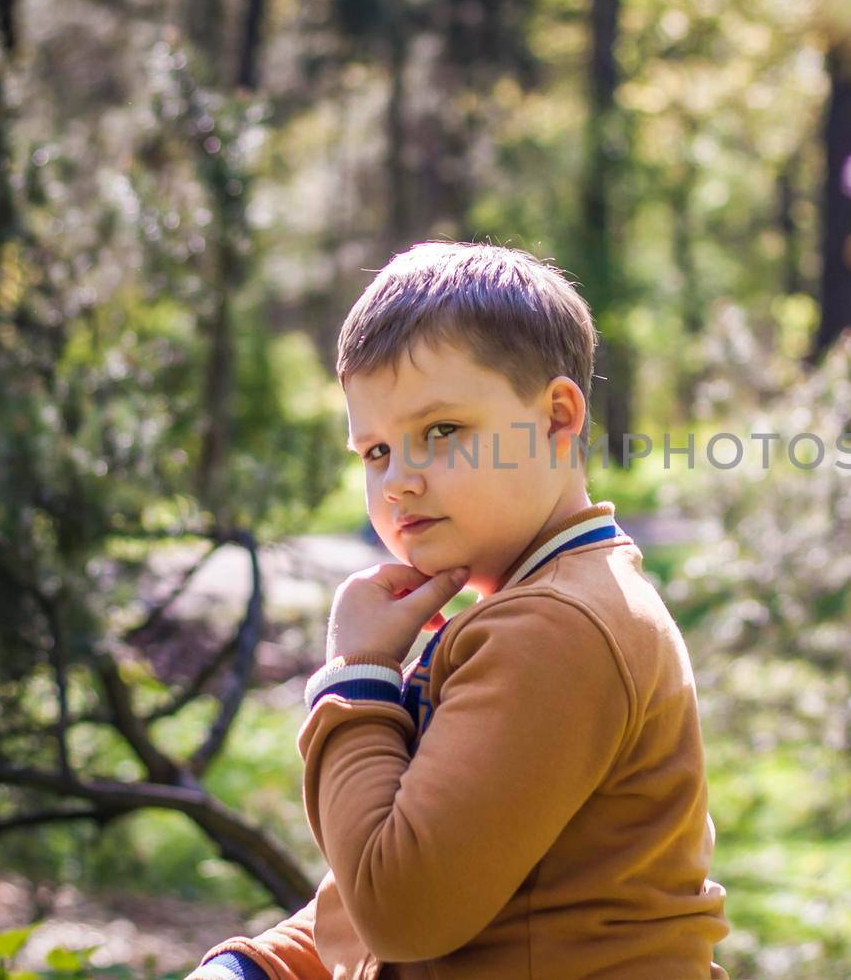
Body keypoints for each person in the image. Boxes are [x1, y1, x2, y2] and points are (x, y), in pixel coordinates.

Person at [187, 242, 730, 980]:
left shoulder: (557, 627)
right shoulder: (541, 604)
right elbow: (382, 905)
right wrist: (259, 967)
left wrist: (358, 676)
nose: (399, 482)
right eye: (375, 451)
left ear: (556, 417)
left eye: (440, 432)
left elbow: (402, 909)